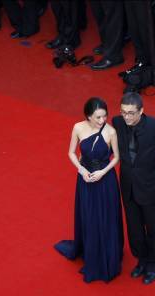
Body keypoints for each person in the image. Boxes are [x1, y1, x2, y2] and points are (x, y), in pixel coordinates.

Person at [54, 97, 124, 283]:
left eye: (104, 116)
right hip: (85, 179)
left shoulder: (111, 132)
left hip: (105, 180)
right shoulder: (78, 128)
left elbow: (116, 157)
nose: (102, 121)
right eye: (98, 117)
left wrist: (103, 172)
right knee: (88, 215)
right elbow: (71, 152)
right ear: (88, 116)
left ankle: (107, 254)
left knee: (105, 216)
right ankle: (90, 249)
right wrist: (81, 169)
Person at [112, 92, 155, 285]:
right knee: (134, 228)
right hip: (128, 185)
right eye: (124, 112)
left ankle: (154, 264)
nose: (127, 117)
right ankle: (141, 259)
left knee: (153, 228)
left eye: (131, 113)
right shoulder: (117, 122)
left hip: (150, 187)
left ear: (141, 110)